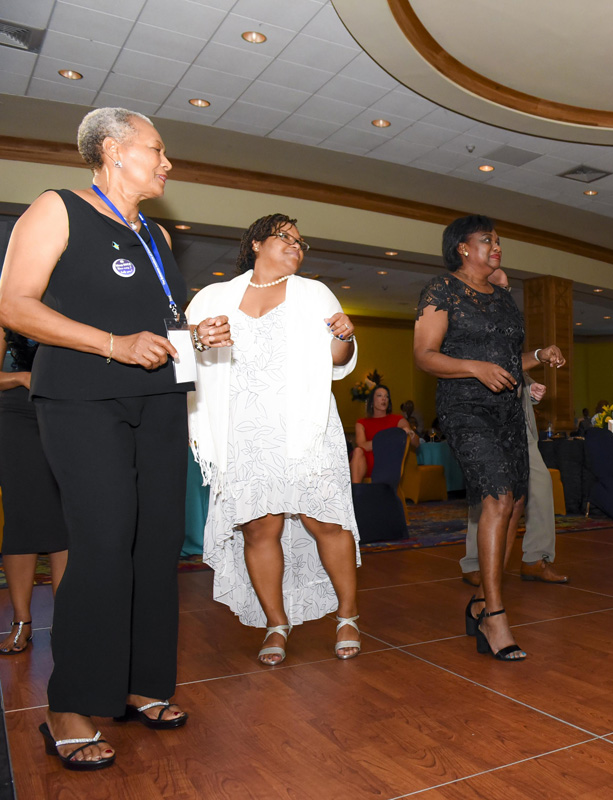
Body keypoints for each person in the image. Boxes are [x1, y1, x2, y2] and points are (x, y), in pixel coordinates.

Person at [0, 107, 196, 769]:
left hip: (159, 399)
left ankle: (142, 684)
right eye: (156, 150)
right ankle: (70, 703)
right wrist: (113, 344)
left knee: (156, 543)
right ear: (112, 150)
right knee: (104, 542)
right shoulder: (56, 208)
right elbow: (14, 304)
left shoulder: (156, 234)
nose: (167, 163)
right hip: (82, 399)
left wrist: (193, 337)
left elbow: (159, 320)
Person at [187, 213, 362, 667]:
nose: (296, 246)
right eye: (286, 237)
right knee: (259, 528)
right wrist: (197, 342)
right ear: (257, 244)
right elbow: (185, 354)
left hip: (305, 426)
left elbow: (337, 359)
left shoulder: (314, 293)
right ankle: (276, 623)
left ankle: (347, 616)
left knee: (325, 521)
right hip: (243, 429)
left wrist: (345, 336)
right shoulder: (213, 297)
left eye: (301, 242)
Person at [414, 215, 565, 661]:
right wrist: (474, 368)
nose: (497, 246)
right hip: (465, 409)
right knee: (498, 498)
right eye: (487, 239)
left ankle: (480, 602)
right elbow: (425, 355)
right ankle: (495, 616)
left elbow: (507, 359)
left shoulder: (502, 298)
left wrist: (537, 357)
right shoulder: (442, 290)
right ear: (462, 247)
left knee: (514, 504)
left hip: (508, 411)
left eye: (498, 240)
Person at [460, 266, 567, 587]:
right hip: (485, 421)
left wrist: (529, 386)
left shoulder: (507, 324)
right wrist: (539, 354)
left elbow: (512, 365)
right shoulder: (468, 321)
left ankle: (536, 558)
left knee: (540, 484)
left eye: (508, 289)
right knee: (488, 492)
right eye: (499, 286)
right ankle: (474, 563)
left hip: (519, 421)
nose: (505, 294)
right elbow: (491, 365)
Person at [0, 329, 69, 654]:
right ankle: (21, 621)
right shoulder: (6, 316)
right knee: (21, 516)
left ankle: (66, 621)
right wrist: (22, 377)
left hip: (66, 413)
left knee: (65, 518)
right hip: (18, 416)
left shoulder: (67, 309)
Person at [351, 384, 418, 483]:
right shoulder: (361, 423)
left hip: (389, 462)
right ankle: (355, 490)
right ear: (372, 401)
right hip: (367, 463)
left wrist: (410, 432)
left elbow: (416, 443)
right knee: (357, 451)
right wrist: (391, 438)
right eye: (379, 396)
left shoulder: (398, 419)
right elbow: (362, 445)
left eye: (386, 396)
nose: (384, 399)